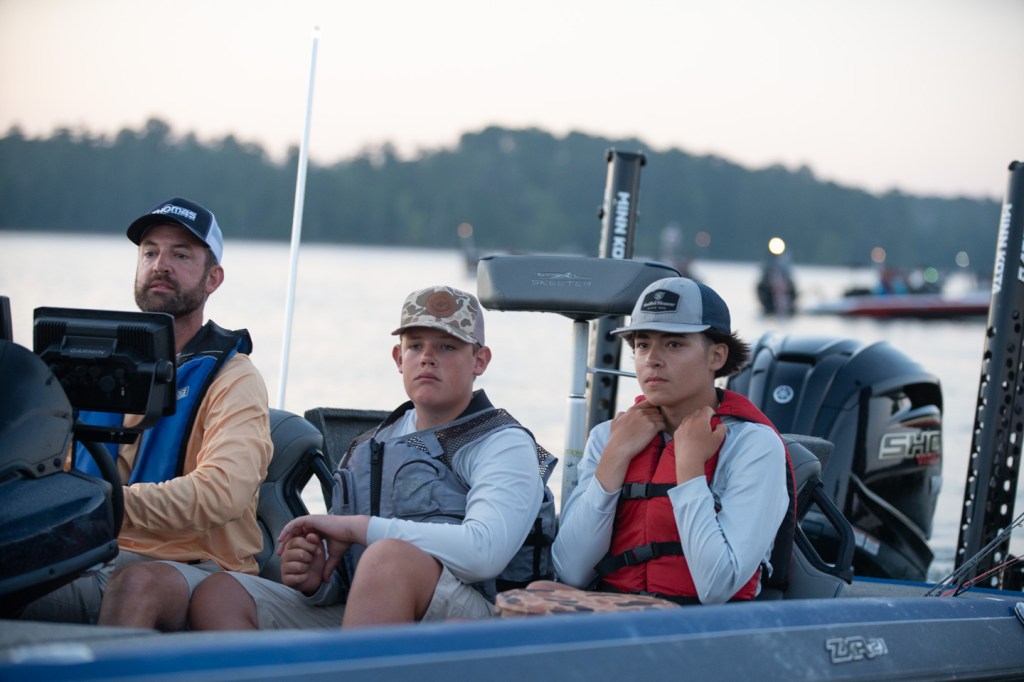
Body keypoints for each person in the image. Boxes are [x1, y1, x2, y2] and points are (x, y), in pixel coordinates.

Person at [188, 285, 556, 630]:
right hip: (378, 608)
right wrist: (319, 577)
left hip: (489, 622)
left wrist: (357, 528)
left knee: (388, 559)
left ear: (480, 360)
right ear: (398, 358)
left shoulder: (504, 443)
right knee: (221, 593)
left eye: (447, 347)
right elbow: (352, 569)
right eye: (415, 346)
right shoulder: (366, 447)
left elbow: (484, 554)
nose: (427, 358)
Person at [19, 197, 274, 630]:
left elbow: (221, 494)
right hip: (91, 553)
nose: (161, 265)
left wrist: (104, 505)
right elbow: (48, 470)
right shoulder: (95, 369)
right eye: (150, 252)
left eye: (181, 255)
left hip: (197, 568)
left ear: (213, 278)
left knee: (137, 583)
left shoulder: (235, 380)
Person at [531, 276, 790, 608]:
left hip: (701, 626)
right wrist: (614, 457)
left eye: (674, 344)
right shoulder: (607, 437)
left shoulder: (754, 446)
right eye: (642, 345)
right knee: (536, 592)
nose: (652, 359)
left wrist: (689, 467)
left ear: (716, 356)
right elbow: (571, 571)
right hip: (613, 615)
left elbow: (717, 587)